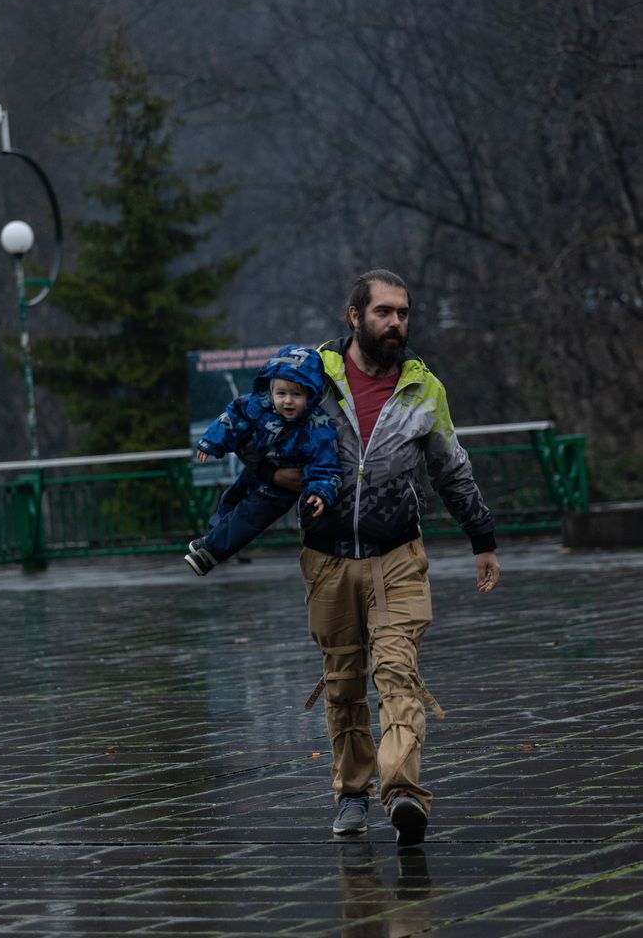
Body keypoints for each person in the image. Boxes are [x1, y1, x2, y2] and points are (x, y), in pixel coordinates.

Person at [271, 270, 501, 846]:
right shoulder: (311, 379)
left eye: (403, 313)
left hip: (398, 554)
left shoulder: (424, 389)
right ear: (355, 317)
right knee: (344, 683)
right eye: (383, 312)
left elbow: (451, 469)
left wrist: (482, 537)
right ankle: (352, 793)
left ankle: (402, 792)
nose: (396, 322)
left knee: (397, 673)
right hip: (327, 561)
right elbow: (264, 439)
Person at [184, 345, 342, 577]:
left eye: (296, 395)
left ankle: (211, 553)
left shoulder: (317, 427)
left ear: (310, 395)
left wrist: (321, 489)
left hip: (281, 489)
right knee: (230, 499)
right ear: (271, 390)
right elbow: (232, 417)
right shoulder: (258, 405)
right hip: (257, 470)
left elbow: (326, 463)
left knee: (249, 516)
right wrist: (212, 441)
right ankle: (212, 537)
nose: (288, 402)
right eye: (281, 394)